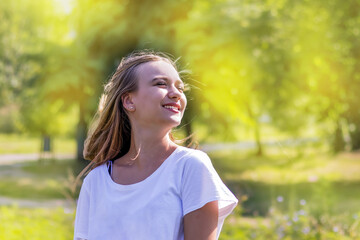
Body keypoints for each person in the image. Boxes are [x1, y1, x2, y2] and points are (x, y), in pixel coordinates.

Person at [73, 51, 238, 240]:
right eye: (161, 83)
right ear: (129, 101)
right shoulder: (95, 182)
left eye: (180, 88)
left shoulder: (191, 166)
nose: (176, 94)